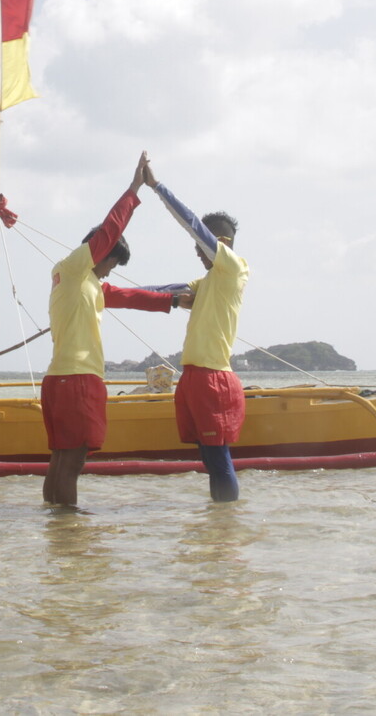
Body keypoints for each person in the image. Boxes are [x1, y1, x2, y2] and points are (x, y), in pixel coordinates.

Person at [43, 152, 191, 507]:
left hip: (58, 380)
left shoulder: (80, 282)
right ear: (101, 254)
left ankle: (57, 535)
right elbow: (111, 229)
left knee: (61, 461)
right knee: (73, 462)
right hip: (78, 379)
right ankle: (71, 535)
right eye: (111, 264)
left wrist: (174, 298)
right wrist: (134, 189)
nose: (110, 272)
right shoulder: (77, 265)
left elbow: (131, 295)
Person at [145, 161, 248, 503]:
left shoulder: (232, 268)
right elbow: (162, 290)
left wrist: (158, 187)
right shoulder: (205, 283)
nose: (198, 254)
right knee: (208, 460)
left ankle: (225, 532)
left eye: (202, 248)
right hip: (193, 377)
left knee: (219, 461)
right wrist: (103, 292)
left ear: (219, 243)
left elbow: (191, 225)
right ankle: (217, 532)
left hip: (214, 378)